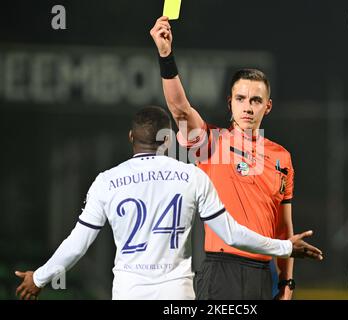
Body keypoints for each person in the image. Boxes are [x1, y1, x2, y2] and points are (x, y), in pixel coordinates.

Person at [15, 106, 322, 300]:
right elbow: (231, 234)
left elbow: (77, 244)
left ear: (130, 137)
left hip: (129, 291)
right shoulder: (192, 176)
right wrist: (285, 246)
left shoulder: (106, 181)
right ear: (168, 139)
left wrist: (38, 278)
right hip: (177, 292)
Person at [150, 16, 318, 300]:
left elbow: (283, 228)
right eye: (240, 99)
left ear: (268, 106)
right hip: (219, 272)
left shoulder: (282, 157)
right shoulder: (211, 143)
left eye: (255, 100)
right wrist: (166, 56)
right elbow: (180, 111)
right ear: (230, 102)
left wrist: (287, 284)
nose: (248, 107)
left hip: (265, 275)